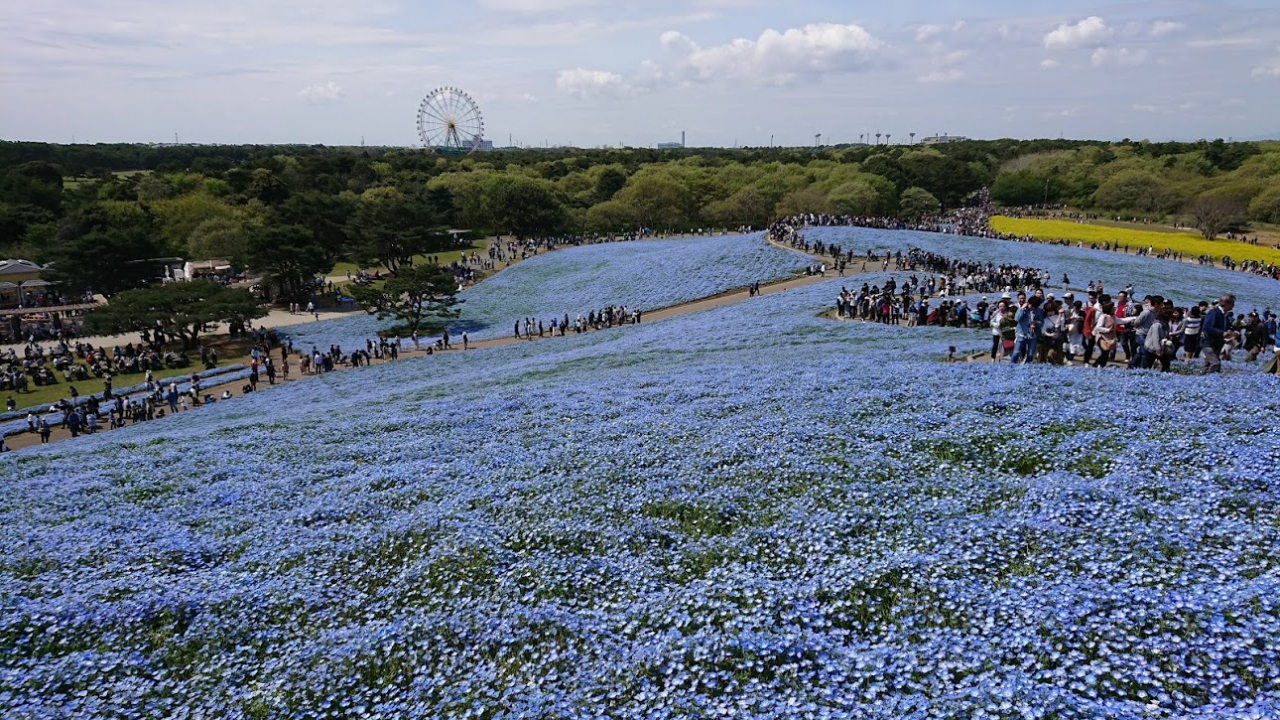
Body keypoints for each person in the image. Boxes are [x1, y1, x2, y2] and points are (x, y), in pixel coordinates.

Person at [1201, 294, 1235, 374]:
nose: (1233, 306)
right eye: (1232, 304)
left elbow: (1225, 327)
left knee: (1208, 364)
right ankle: (1211, 379)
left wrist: (1230, 332)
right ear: (1226, 304)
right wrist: (1222, 333)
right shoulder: (1214, 312)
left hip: (1217, 343)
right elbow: (1207, 327)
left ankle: (1202, 378)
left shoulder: (1225, 314)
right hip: (1208, 342)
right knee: (1215, 363)